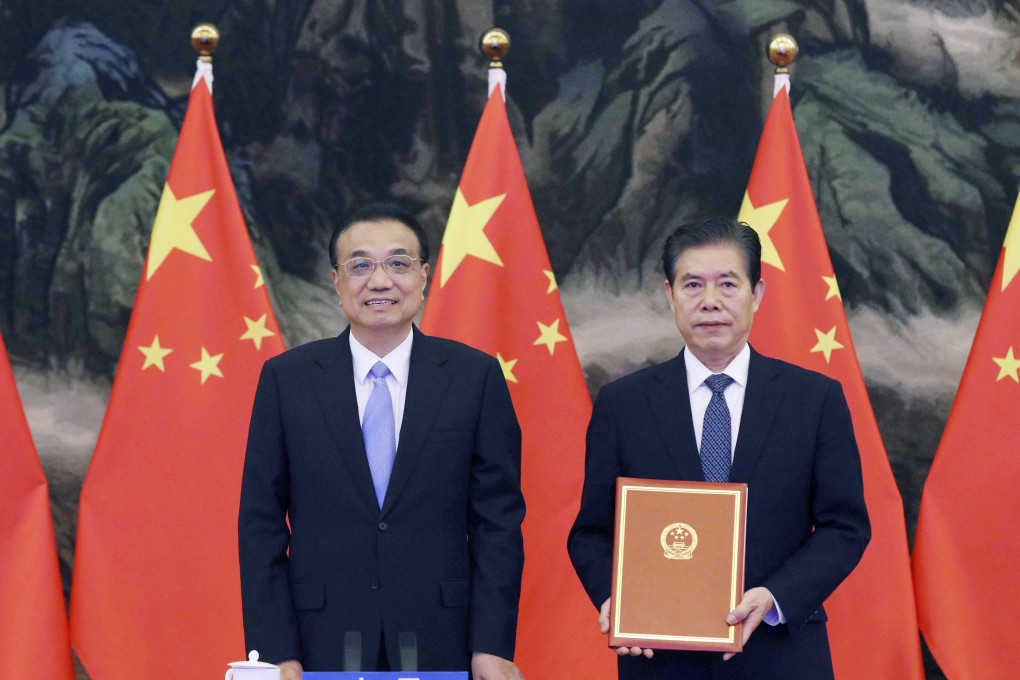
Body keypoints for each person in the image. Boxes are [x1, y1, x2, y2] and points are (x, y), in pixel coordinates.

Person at [567, 216, 870, 679]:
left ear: (757, 294)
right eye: (692, 285)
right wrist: (619, 601)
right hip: (661, 659)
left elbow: (844, 527)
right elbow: (591, 533)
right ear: (670, 295)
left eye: (728, 284)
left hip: (781, 653)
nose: (710, 302)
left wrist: (774, 597)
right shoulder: (623, 404)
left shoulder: (814, 399)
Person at [239, 203, 526, 680]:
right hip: (319, 642)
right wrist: (275, 651)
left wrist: (491, 644)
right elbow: (260, 525)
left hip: (442, 638)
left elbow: (498, 522)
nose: (380, 281)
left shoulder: (474, 377)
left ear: (424, 275)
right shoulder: (286, 380)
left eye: (398, 263)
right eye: (360, 265)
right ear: (336, 280)